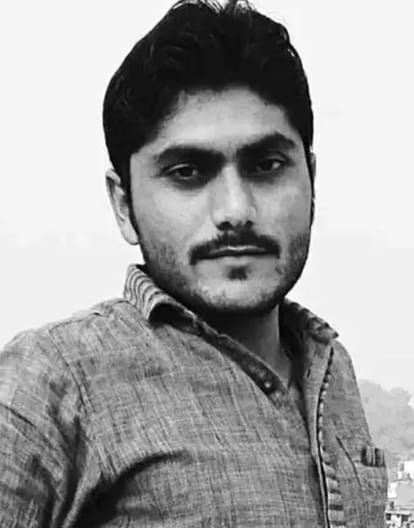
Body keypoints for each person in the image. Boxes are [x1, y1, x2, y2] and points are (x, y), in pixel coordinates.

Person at [0, 0, 387, 526]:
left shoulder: (332, 367)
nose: (235, 210)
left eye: (267, 165)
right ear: (124, 205)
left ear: (311, 180)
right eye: (187, 172)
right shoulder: (55, 380)